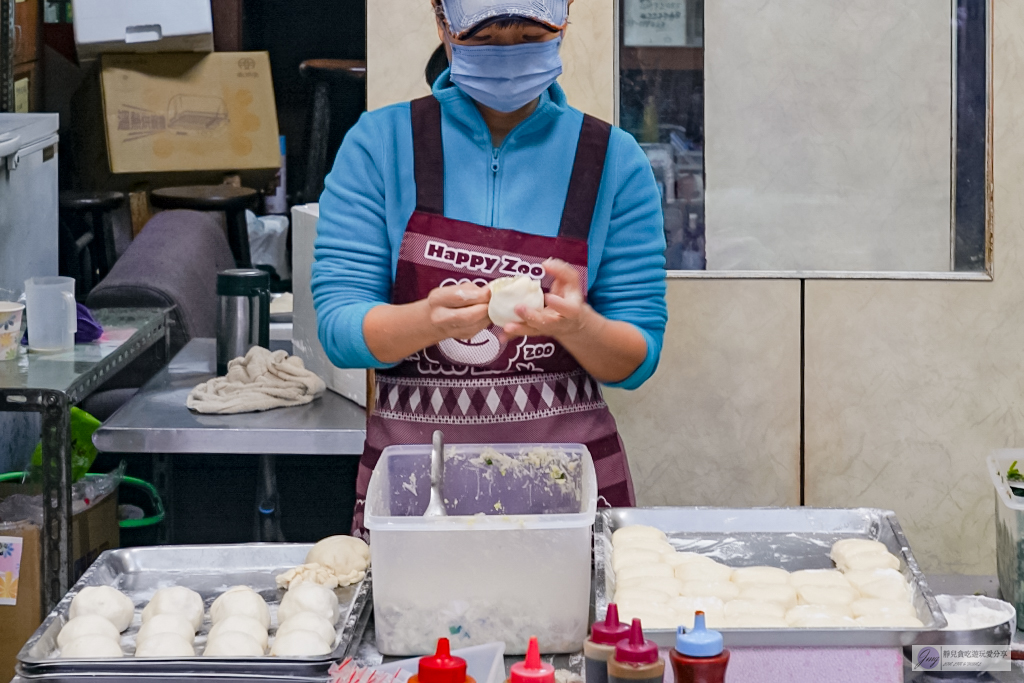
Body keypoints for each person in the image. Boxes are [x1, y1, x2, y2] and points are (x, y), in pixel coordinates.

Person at [312, 0, 668, 537]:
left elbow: (636, 358)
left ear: (563, 26)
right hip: (417, 498)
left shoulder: (612, 160)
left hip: (569, 504)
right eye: (483, 39)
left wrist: (579, 326)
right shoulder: (380, 145)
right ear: (443, 26)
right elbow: (340, 330)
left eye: (528, 37)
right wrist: (429, 321)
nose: (508, 56)